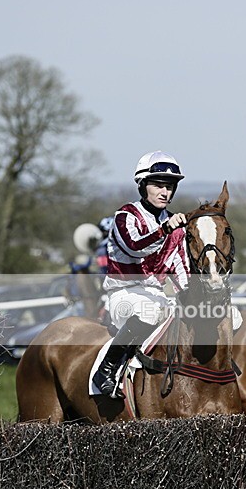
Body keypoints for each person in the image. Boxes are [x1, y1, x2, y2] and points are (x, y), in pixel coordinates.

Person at [92, 151, 189, 398]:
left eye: (169, 187)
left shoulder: (176, 227)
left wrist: (191, 294)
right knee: (150, 311)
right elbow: (135, 247)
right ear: (142, 185)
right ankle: (106, 370)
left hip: (157, 295)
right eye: (158, 185)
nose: (165, 192)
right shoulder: (125, 216)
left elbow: (180, 266)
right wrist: (164, 229)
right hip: (124, 293)